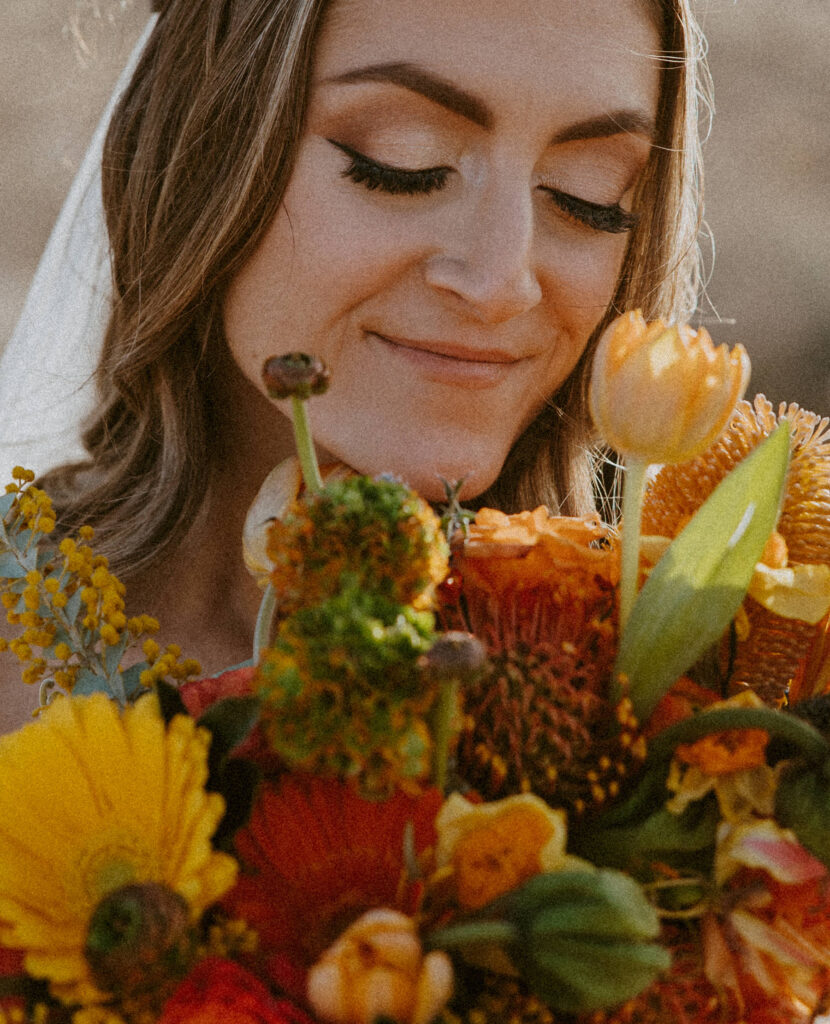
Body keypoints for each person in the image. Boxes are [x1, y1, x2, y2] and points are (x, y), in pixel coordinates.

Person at [0, 0, 707, 728]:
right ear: (202, 153)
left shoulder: (669, 720)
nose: (502, 284)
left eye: (587, 197)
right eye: (406, 164)